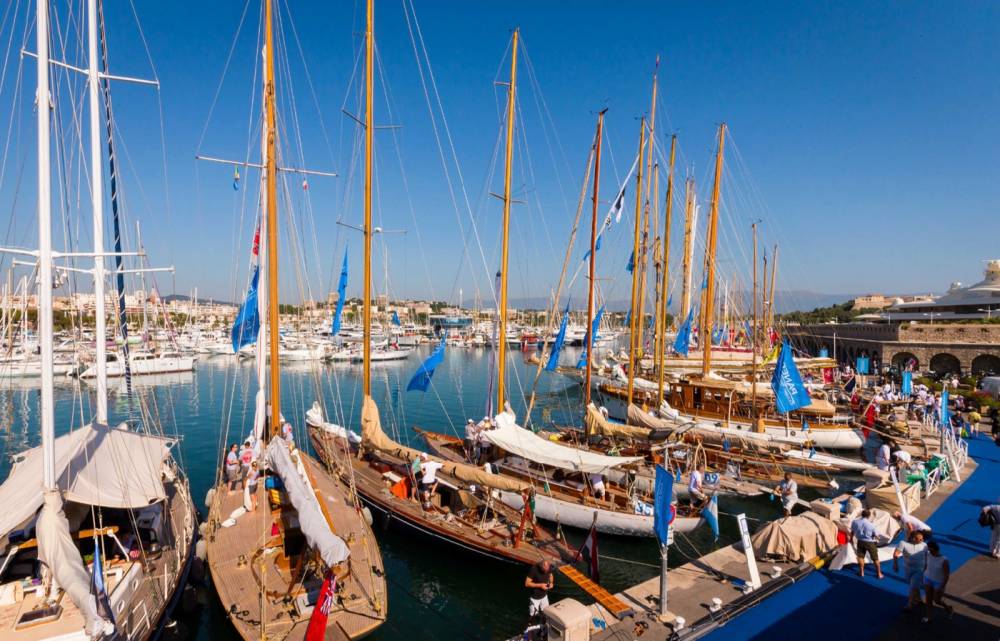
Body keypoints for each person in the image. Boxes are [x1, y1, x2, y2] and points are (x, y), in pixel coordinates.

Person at [893, 530, 927, 612]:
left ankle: (909, 605)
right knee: (914, 585)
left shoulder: (924, 545)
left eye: (922, 539)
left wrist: (926, 567)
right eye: (920, 539)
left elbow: (926, 556)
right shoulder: (903, 544)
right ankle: (919, 599)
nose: (922, 541)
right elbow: (896, 554)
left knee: (913, 586)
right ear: (913, 539)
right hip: (908, 569)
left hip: (920, 569)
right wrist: (895, 564)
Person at [922, 540, 953, 623]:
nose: (929, 551)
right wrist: (923, 574)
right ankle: (929, 617)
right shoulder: (928, 555)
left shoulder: (944, 560)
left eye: (930, 550)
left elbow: (946, 575)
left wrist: (941, 586)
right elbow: (926, 565)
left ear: (934, 550)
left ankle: (948, 608)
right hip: (927, 579)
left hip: (938, 582)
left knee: (937, 600)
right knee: (928, 600)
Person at [850, 509, 884, 579]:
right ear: (869, 516)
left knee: (861, 557)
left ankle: (861, 572)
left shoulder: (855, 522)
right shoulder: (871, 525)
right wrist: (878, 538)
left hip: (860, 541)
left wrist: (851, 539)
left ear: (861, 514)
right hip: (870, 542)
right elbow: (877, 535)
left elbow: (852, 532)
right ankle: (879, 574)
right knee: (875, 558)